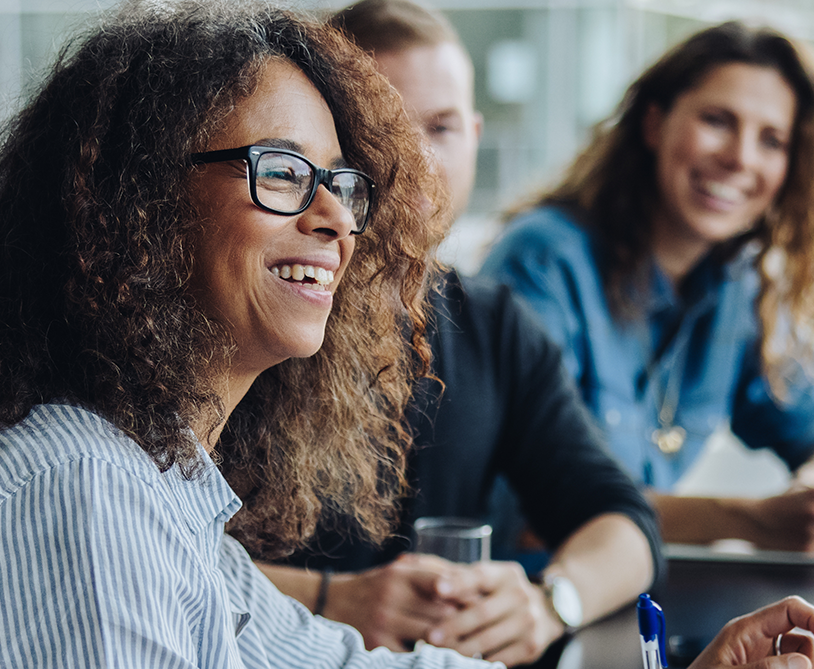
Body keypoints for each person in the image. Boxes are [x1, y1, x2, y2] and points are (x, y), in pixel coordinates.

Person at [0, 4, 814, 668]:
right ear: (134, 206)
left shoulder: (159, 492)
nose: (338, 218)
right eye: (283, 172)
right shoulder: (73, 495)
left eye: (341, 182)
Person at [252, 2, 661, 664]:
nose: (414, 159)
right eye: (378, 131)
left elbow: (625, 524)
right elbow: (151, 542)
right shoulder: (261, 313)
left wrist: (551, 601)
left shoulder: (494, 325)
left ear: (474, 136)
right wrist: (329, 598)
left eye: (439, 127)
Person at [478, 22, 814, 553]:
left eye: (772, 140)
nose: (741, 158)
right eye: (717, 121)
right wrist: (748, 519)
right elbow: (533, 512)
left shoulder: (738, 285)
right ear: (653, 125)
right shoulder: (545, 260)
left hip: (639, 595)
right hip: (529, 602)